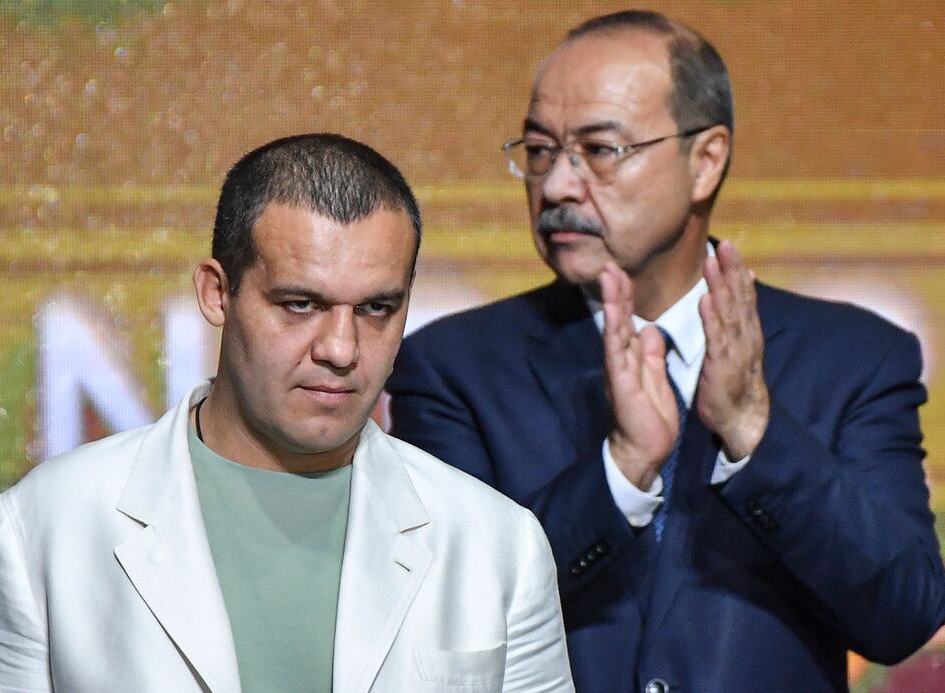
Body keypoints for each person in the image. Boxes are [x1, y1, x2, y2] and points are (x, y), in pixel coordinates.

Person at [387, 11, 945, 693]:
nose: (557, 186)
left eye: (600, 149)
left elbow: (904, 616)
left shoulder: (855, 358)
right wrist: (617, 473)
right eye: (539, 151)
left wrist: (754, 433)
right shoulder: (453, 368)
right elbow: (445, 623)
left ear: (705, 159)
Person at [0, 134, 574, 692]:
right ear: (216, 293)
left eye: (377, 308)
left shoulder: (498, 544)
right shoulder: (42, 528)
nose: (340, 349)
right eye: (301, 303)